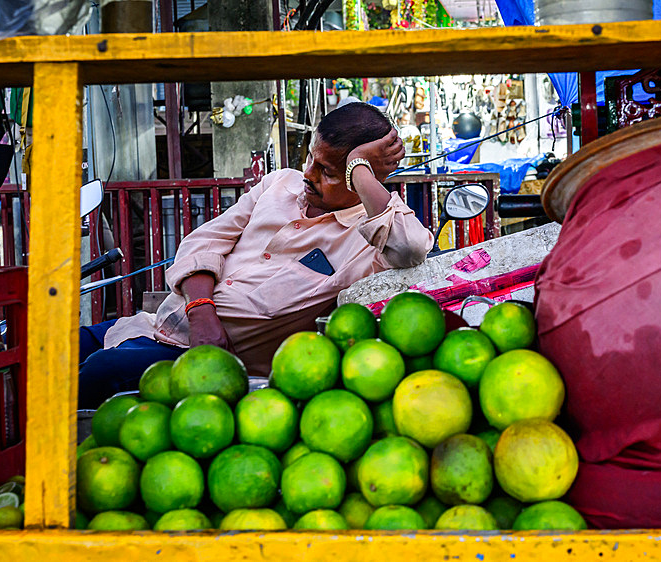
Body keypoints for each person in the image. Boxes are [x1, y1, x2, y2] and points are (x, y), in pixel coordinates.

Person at [78, 102, 433, 408]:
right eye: (311, 157)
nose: (308, 174)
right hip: (154, 323)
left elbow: (412, 247)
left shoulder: (369, 243)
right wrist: (201, 310)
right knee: (58, 346)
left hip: (205, 368)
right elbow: (205, 242)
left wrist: (358, 167)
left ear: (360, 177)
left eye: (327, 171)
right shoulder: (279, 184)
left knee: (95, 373)